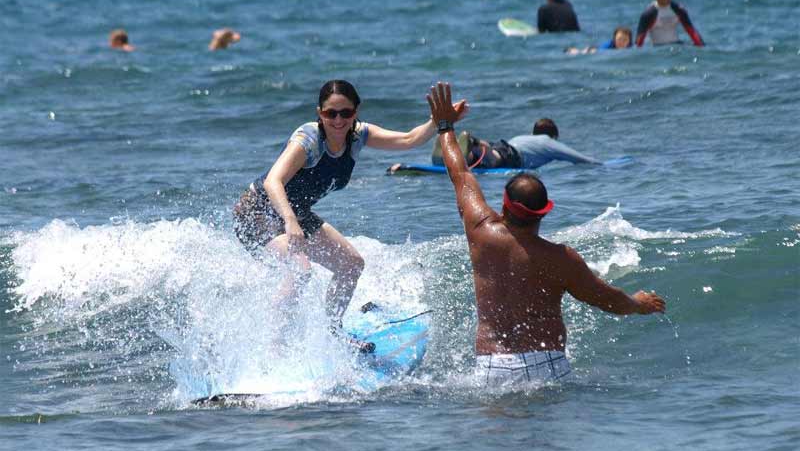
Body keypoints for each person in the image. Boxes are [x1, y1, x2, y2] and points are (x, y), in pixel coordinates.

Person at [426, 81, 666, 387]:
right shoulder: (561, 259)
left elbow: (460, 174)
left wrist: (445, 126)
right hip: (547, 368)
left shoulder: (480, 231)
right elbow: (607, 299)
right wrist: (638, 303)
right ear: (544, 212)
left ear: (504, 204)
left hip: (491, 368)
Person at [233, 80, 467, 352]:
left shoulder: (358, 136)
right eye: (330, 113)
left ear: (355, 112)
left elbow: (407, 140)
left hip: (293, 214)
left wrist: (438, 121)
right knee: (301, 269)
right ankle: (274, 350)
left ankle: (332, 333)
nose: (338, 120)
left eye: (345, 113)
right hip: (257, 212)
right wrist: (290, 221)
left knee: (351, 264)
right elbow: (273, 181)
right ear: (319, 113)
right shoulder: (308, 139)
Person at [428, 118, 600, 170]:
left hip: (505, 145)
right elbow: (576, 158)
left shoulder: (524, 137)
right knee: (495, 158)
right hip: (510, 155)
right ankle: (477, 146)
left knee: (479, 156)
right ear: (554, 135)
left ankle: (449, 152)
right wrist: (599, 164)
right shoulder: (548, 142)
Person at [636, 0, 704, 47]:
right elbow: (639, 41)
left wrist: (702, 48)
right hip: (657, 49)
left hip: (677, 47)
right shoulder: (649, 13)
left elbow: (692, 32)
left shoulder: (678, 9)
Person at [565, 26, 632, 55]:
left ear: (629, 41)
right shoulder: (609, 46)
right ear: (614, 39)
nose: (622, 42)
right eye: (619, 39)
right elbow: (597, 52)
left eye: (625, 40)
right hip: (594, 50)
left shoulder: (631, 48)